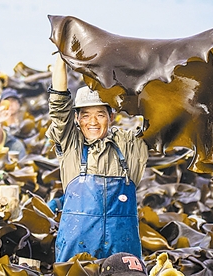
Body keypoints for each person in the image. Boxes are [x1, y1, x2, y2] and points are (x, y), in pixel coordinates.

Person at [47, 54, 149, 262]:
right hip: (76, 250)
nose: (92, 121)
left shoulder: (130, 144)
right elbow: (58, 103)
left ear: (111, 117)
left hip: (122, 248)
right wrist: (61, 56)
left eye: (100, 114)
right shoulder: (70, 144)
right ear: (76, 118)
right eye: (85, 115)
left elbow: (157, 119)